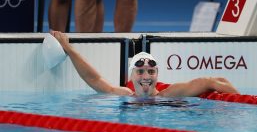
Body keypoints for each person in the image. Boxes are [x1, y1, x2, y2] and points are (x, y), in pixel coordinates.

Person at [51, 31, 240, 98]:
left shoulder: (170, 94)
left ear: (157, 74)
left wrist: (238, 105)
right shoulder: (124, 94)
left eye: (151, 71)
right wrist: (68, 48)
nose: (146, 76)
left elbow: (214, 81)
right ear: (132, 76)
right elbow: (94, 79)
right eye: (140, 71)